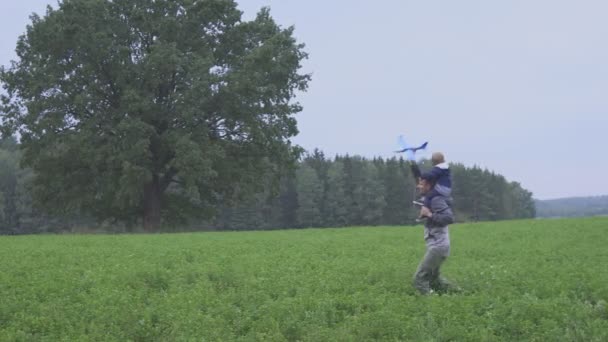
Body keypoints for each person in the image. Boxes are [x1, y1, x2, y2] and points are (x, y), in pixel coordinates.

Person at [412, 174, 455, 295]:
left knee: (419, 279)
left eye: (422, 183)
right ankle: (461, 294)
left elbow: (449, 218)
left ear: (429, 185)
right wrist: (425, 215)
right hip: (437, 246)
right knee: (435, 280)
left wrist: (430, 215)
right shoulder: (430, 198)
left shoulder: (436, 199)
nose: (419, 186)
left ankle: (433, 305)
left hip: (438, 247)